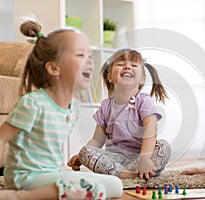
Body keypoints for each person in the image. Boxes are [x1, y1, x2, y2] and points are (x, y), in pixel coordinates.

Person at [0, 19, 123, 200]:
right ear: (54, 68)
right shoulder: (33, 103)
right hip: (26, 178)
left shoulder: (73, 106)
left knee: (115, 185)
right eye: (80, 55)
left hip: (52, 174)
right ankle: (17, 196)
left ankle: (54, 192)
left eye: (89, 55)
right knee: (92, 189)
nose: (89, 61)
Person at [68, 48, 172, 180]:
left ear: (142, 79)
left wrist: (145, 158)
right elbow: (96, 140)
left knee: (164, 146)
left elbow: (151, 130)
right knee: (85, 151)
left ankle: (141, 170)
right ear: (110, 77)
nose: (128, 66)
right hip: (115, 160)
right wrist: (81, 157)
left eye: (134, 65)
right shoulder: (106, 106)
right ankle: (128, 175)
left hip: (140, 156)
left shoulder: (144, 101)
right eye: (121, 64)